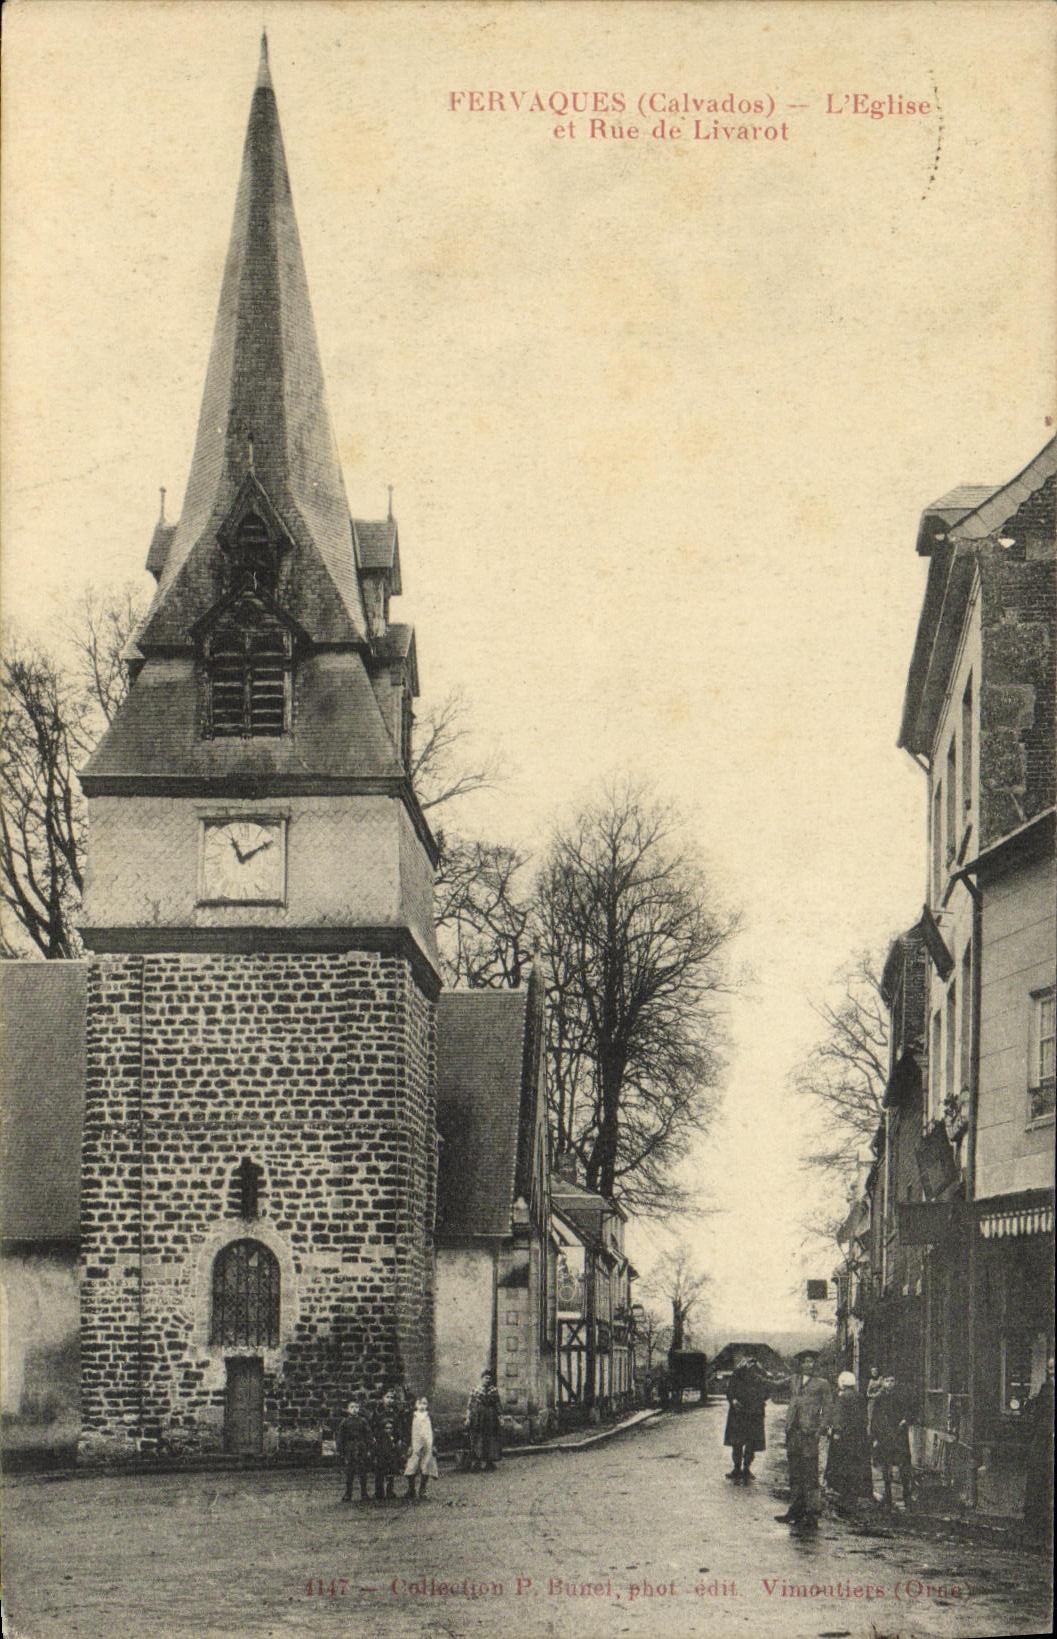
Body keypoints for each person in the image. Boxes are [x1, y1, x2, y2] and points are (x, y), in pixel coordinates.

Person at [775, 1352, 834, 1529]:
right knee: (795, 1474)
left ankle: (812, 1514)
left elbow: (828, 1407)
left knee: (810, 1474)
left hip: (810, 1434)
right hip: (793, 1433)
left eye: (811, 1361)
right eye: (805, 1362)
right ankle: (795, 1511)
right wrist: (753, 1372)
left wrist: (821, 1428)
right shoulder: (794, 1380)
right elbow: (774, 1385)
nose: (809, 1364)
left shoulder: (822, 1384)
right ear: (800, 1364)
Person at [1020, 1355, 1054, 1548]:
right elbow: (1035, 1414)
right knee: (1038, 1483)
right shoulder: (1046, 1390)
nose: (1052, 1373)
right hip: (1043, 1442)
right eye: (1050, 1369)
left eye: (1054, 1369)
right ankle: (1036, 1533)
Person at [825, 1371, 872, 1503]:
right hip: (859, 1436)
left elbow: (839, 1417)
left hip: (845, 1436)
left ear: (842, 1383)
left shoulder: (842, 1397)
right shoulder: (860, 1396)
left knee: (842, 1462)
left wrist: (836, 1432)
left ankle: (843, 1491)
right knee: (857, 1463)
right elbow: (864, 1418)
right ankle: (858, 1491)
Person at [871, 1373, 915, 1511]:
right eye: (887, 1381)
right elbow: (875, 1419)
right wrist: (875, 1437)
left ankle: (907, 1498)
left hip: (900, 1436)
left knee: (904, 1467)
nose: (890, 1383)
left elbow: (910, 1411)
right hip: (885, 1437)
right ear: (883, 1382)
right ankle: (888, 1497)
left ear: (895, 1382)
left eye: (892, 1380)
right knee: (886, 1467)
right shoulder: (879, 1398)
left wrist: (905, 1420)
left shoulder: (901, 1396)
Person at [724, 1355, 770, 1480]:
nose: (749, 1361)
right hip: (738, 1413)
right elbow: (729, 1390)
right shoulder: (737, 1373)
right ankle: (736, 1468)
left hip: (754, 1413)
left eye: (752, 1359)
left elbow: (767, 1391)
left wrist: (758, 1400)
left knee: (751, 1443)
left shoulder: (761, 1373)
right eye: (748, 1358)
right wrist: (733, 1400)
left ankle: (746, 1468)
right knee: (736, 1443)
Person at [337, 1397, 374, 1503]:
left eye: (356, 1407)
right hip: (350, 1448)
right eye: (352, 1407)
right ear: (347, 1409)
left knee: (362, 1471)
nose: (354, 1409)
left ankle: (364, 1493)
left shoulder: (363, 1421)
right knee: (350, 1472)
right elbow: (340, 1437)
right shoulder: (344, 1422)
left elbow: (368, 1435)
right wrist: (341, 1451)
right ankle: (348, 1494)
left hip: (361, 1447)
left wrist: (369, 1448)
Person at [465, 1369, 503, 1472]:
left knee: (490, 1439)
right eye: (486, 1378)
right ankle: (477, 1462)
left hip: (491, 1418)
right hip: (478, 1417)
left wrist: (500, 1417)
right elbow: (470, 1405)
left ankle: (489, 1463)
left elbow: (498, 1404)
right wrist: (468, 1417)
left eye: (489, 1378)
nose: (487, 1380)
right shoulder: (475, 1389)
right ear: (482, 1379)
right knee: (477, 1438)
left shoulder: (493, 1390)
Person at [404, 1395, 440, 1500]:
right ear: (416, 1404)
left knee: (426, 1466)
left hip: (428, 1444)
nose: (422, 1406)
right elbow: (407, 1431)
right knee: (412, 1466)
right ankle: (411, 1489)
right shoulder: (412, 1416)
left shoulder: (429, 1416)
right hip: (415, 1443)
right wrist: (409, 1445)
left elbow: (433, 1431)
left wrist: (434, 1445)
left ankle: (422, 1489)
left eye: (424, 1403)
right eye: (419, 1403)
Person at [865, 1365, 884, 1436]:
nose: (874, 1372)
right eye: (872, 1371)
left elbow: (881, 1390)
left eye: (875, 1371)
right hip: (872, 1401)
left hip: (879, 1401)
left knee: (879, 1417)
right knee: (870, 1417)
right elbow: (867, 1392)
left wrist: (874, 1394)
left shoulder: (881, 1379)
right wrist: (871, 1395)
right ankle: (870, 1434)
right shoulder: (870, 1380)